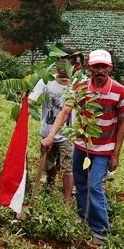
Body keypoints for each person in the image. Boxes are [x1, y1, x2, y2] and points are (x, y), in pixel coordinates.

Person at [42, 49, 124, 245]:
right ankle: (83, 217)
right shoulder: (80, 87)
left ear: (110, 68)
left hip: (104, 149)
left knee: (94, 185)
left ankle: (100, 231)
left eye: (103, 66)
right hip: (82, 145)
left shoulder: (121, 91)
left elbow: (123, 123)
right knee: (81, 182)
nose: (100, 70)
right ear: (90, 68)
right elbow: (65, 112)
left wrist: (116, 154)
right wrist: (51, 135)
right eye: (96, 66)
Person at [31, 54, 79, 204]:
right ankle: (49, 187)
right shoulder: (46, 81)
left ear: (73, 66)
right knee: (48, 163)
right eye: (59, 64)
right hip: (47, 130)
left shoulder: (76, 86)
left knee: (67, 167)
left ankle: (67, 200)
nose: (61, 68)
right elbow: (32, 100)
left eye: (65, 65)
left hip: (67, 134)